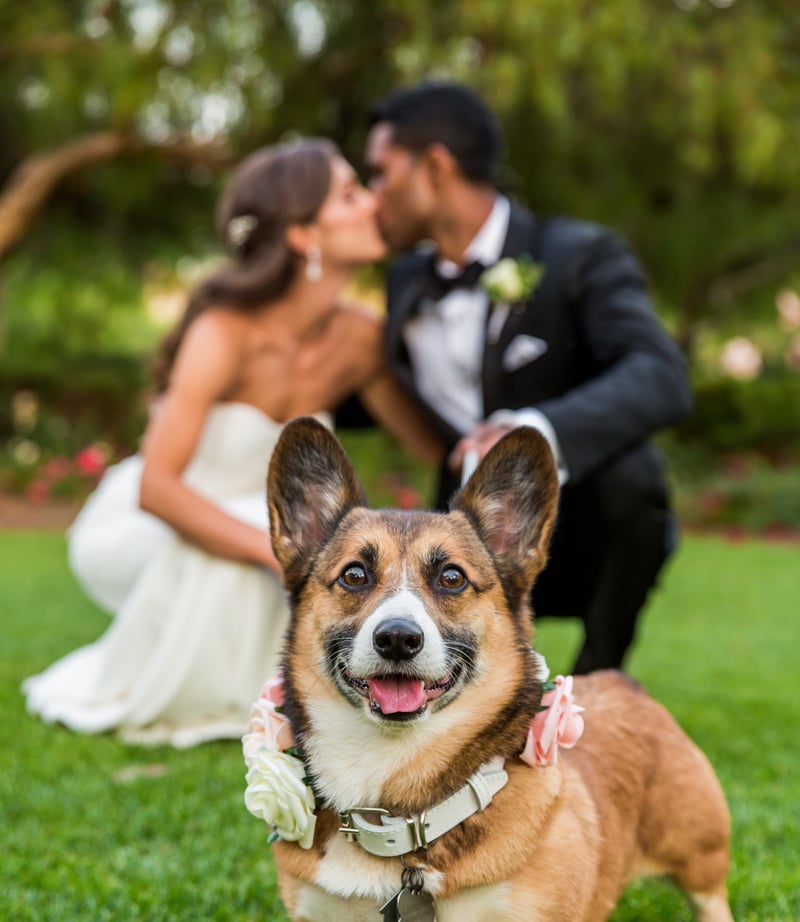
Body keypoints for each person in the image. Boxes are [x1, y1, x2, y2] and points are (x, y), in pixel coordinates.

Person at [22, 139, 443, 747]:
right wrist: (277, 554)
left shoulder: (360, 341)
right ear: (303, 234)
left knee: (305, 534)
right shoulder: (223, 331)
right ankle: (267, 698)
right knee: (293, 536)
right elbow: (156, 489)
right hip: (146, 525)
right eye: (350, 194)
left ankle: (296, 689)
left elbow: (434, 446)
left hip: (266, 524)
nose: (372, 202)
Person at [366, 82, 693, 673]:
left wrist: (532, 430)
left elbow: (661, 373)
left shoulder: (578, 256)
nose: (373, 195)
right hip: (451, 540)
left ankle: (598, 677)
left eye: (381, 173)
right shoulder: (405, 280)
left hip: (575, 536)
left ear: (434, 167)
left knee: (635, 473)